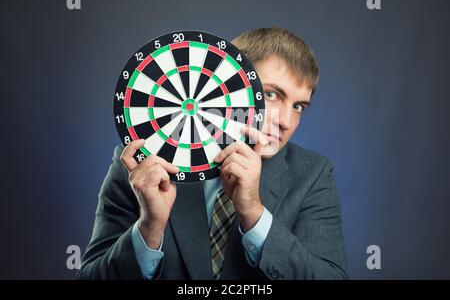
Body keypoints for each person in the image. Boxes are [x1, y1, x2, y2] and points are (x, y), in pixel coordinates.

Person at [77, 27, 348, 280]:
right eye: (271, 95)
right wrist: (149, 228)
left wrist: (254, 213)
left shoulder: (313, 174)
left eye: (299, 106)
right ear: (225, 86)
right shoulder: (143, 165)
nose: (286, 121)